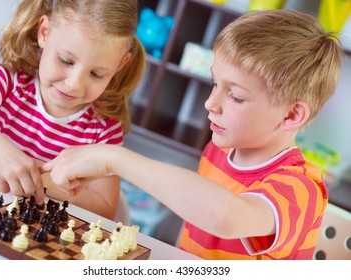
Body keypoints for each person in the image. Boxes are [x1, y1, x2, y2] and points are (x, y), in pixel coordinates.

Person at [42, 9, 343, 260]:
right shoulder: (220, 150)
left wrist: (113, 158)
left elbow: (226, 217)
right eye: (215, 84)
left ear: (291, 115)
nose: (210, 103)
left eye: (235, 96)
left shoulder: (301, 188)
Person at [0, 0, 146, 219]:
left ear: (120, 65)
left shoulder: (103, 129)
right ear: (44, 32)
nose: (74, 84)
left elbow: (105, 207)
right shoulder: (8, 81)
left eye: (96, 74)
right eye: (66, 60)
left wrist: (49, 182)